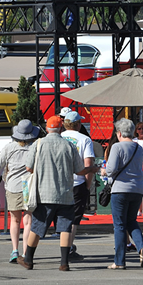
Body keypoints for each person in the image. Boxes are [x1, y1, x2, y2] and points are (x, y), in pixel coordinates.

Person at [16, 115, 99, 272]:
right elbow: (79, 170)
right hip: (65, 194)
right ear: (61, 128)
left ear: (47, 128)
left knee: (37, 227)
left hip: (44, 193)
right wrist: (92, 169)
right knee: (65, 228)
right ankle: (64, 262)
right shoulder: (68, 146)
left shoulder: (38, 144)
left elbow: (28, 167)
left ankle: (28, 259)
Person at [0, 119, 39, 263]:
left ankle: (15, 251)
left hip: (13, 186)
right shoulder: (36, 147)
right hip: (30, 186)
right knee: (28, 220)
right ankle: (26, 252)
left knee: (14, 220)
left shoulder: (9, 148)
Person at [106, 118, 143, 270]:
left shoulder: (117, 147)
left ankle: (119, 261)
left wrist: (103, 171)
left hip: (120, 189)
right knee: (131, 221)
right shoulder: (138, 148)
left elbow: (111, 169)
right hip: (137, 189)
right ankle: (141, 246)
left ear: (119, 133)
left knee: (119, 225)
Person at [61, 111, 95, 261]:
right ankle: (68, 248)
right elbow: (88, 164)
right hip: (77, 181)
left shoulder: (58, 138)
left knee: (60, 216)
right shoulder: (85, 139)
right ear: (78, 124)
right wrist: (88, 184)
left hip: (59, 182)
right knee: (74, 219)